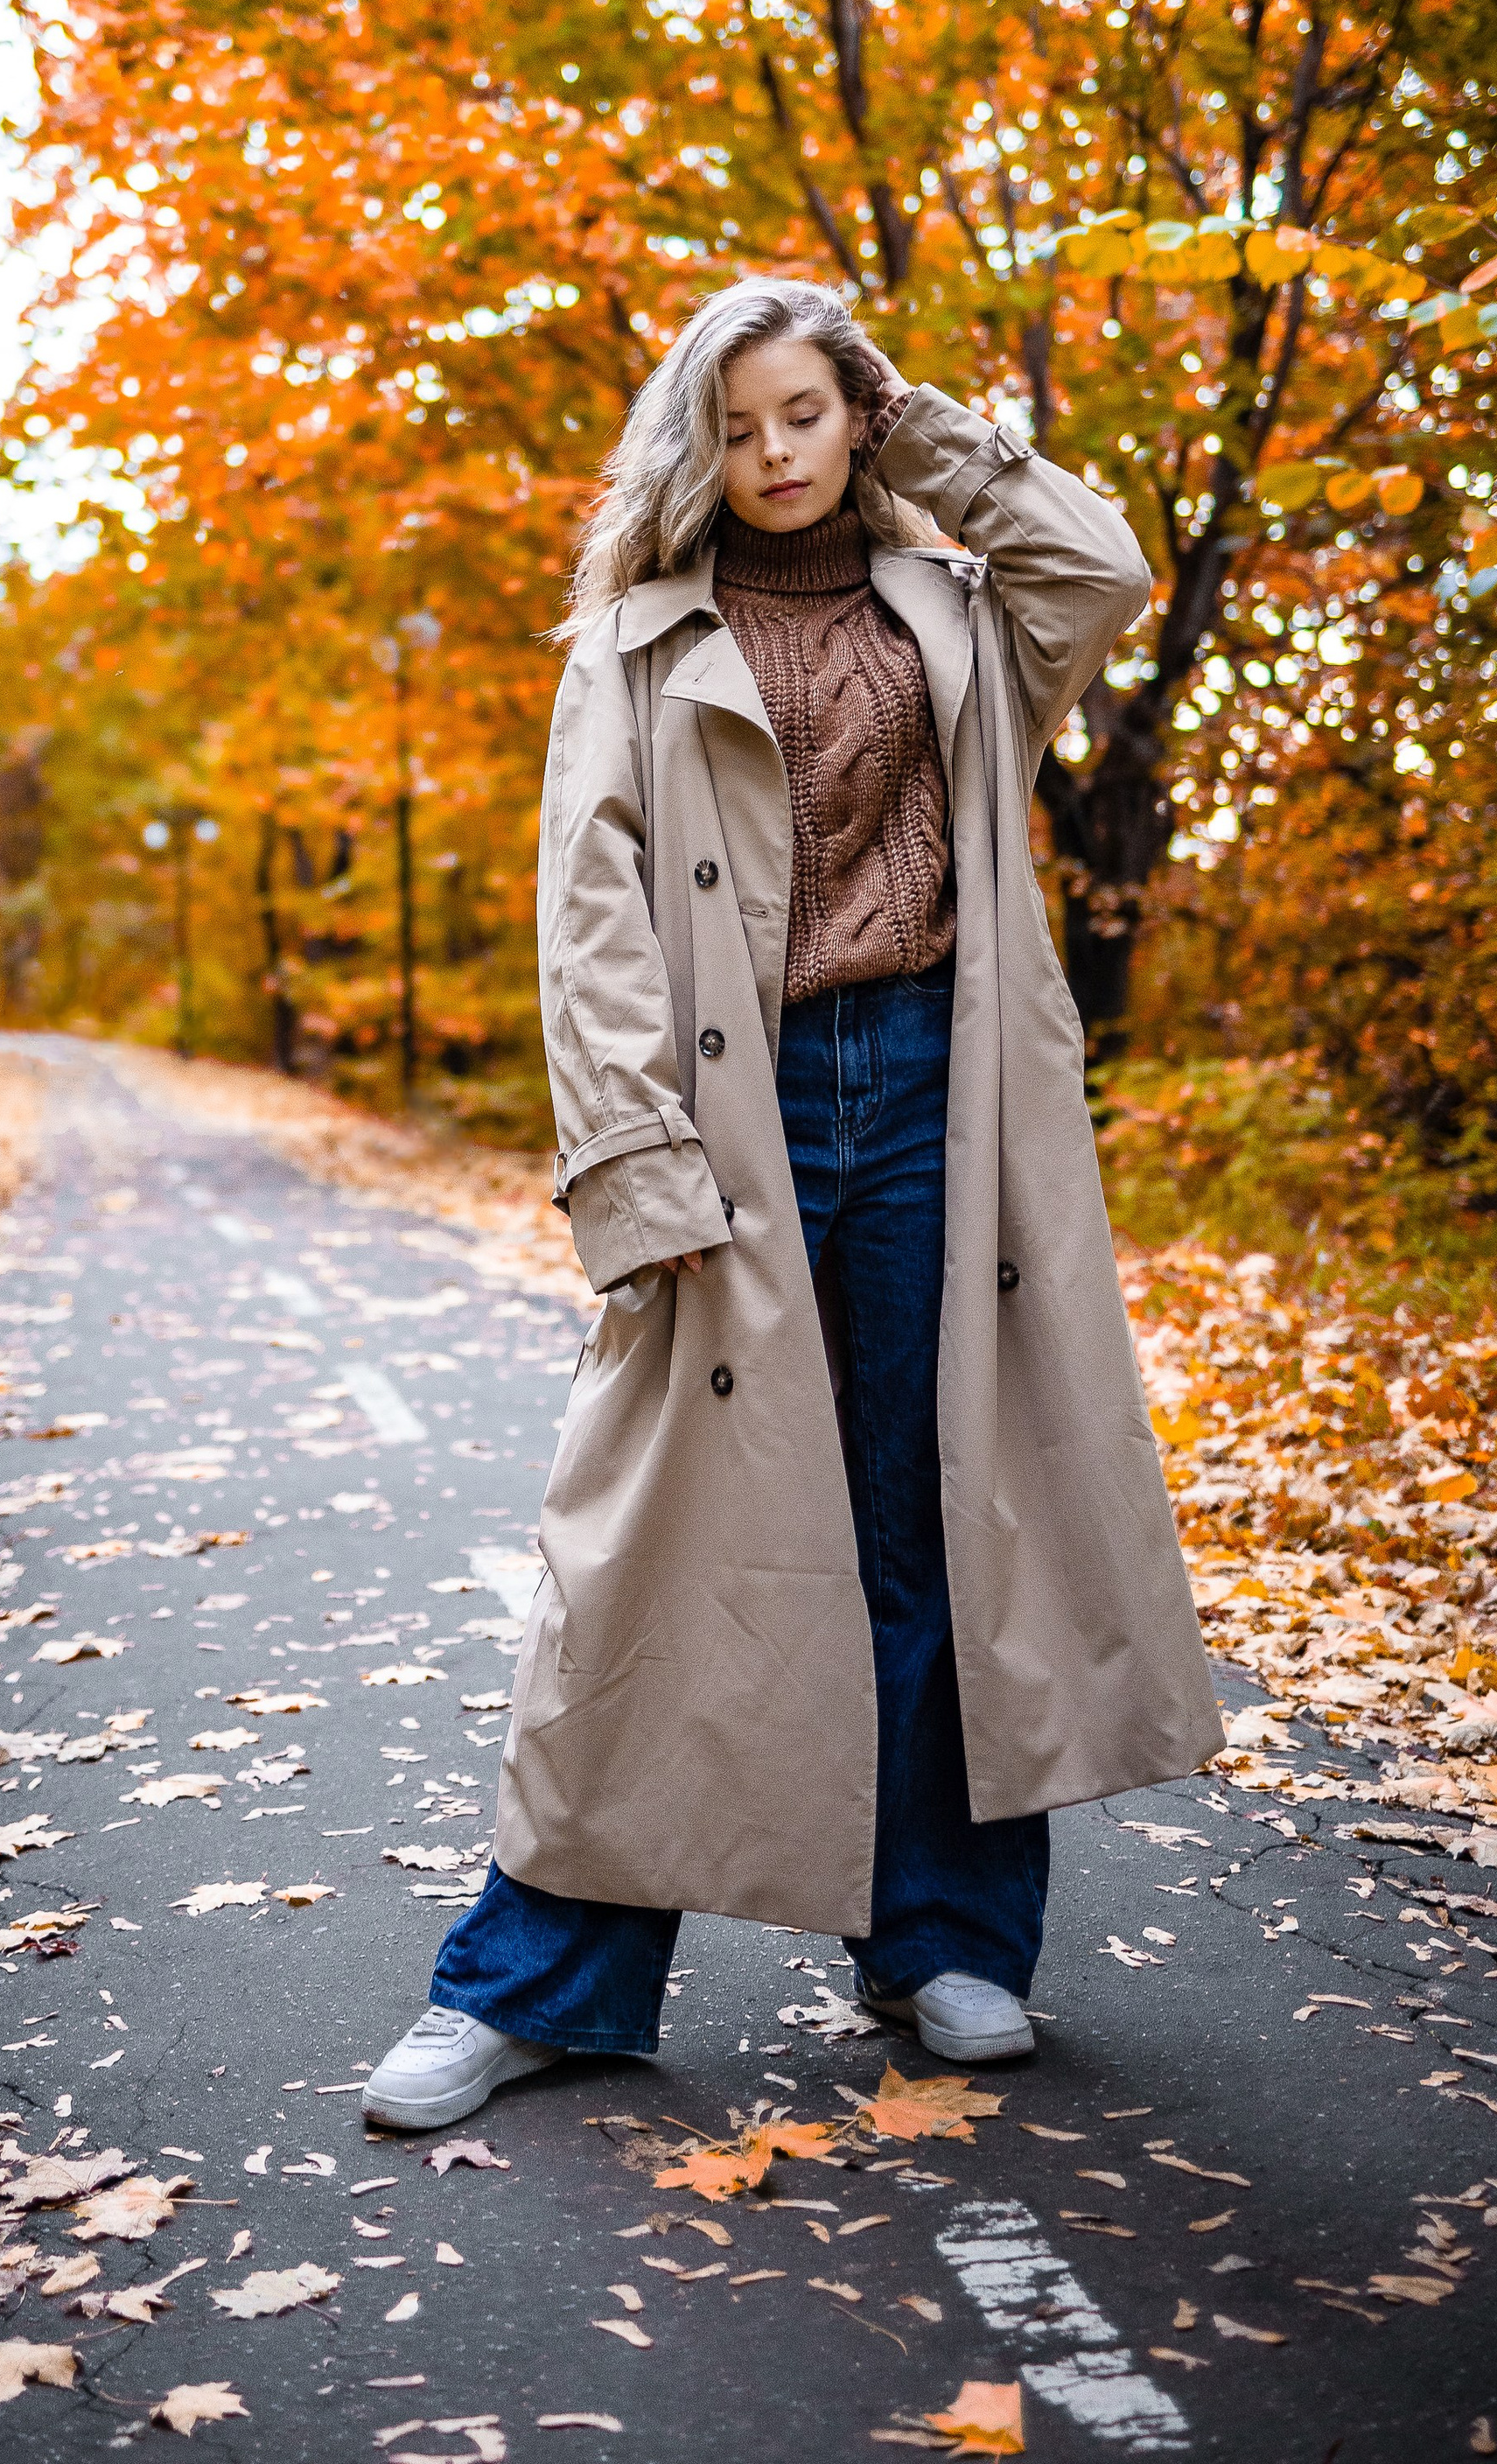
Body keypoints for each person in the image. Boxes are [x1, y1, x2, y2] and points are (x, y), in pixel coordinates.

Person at [362, 277, 1219, 2133]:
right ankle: (537, 1984)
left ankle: (942, 1941)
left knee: (935, 1519)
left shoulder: (957, 611)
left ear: (857, 417)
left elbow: (1100, 565)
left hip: (935, 1098)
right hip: (731, 1112)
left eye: (805, 418)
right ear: (695, 437)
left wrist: (931, 439)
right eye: (734, 425)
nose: (768, 457)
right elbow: (585, 918)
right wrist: (636, 1158)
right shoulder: (635, 638)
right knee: (656, 1541)